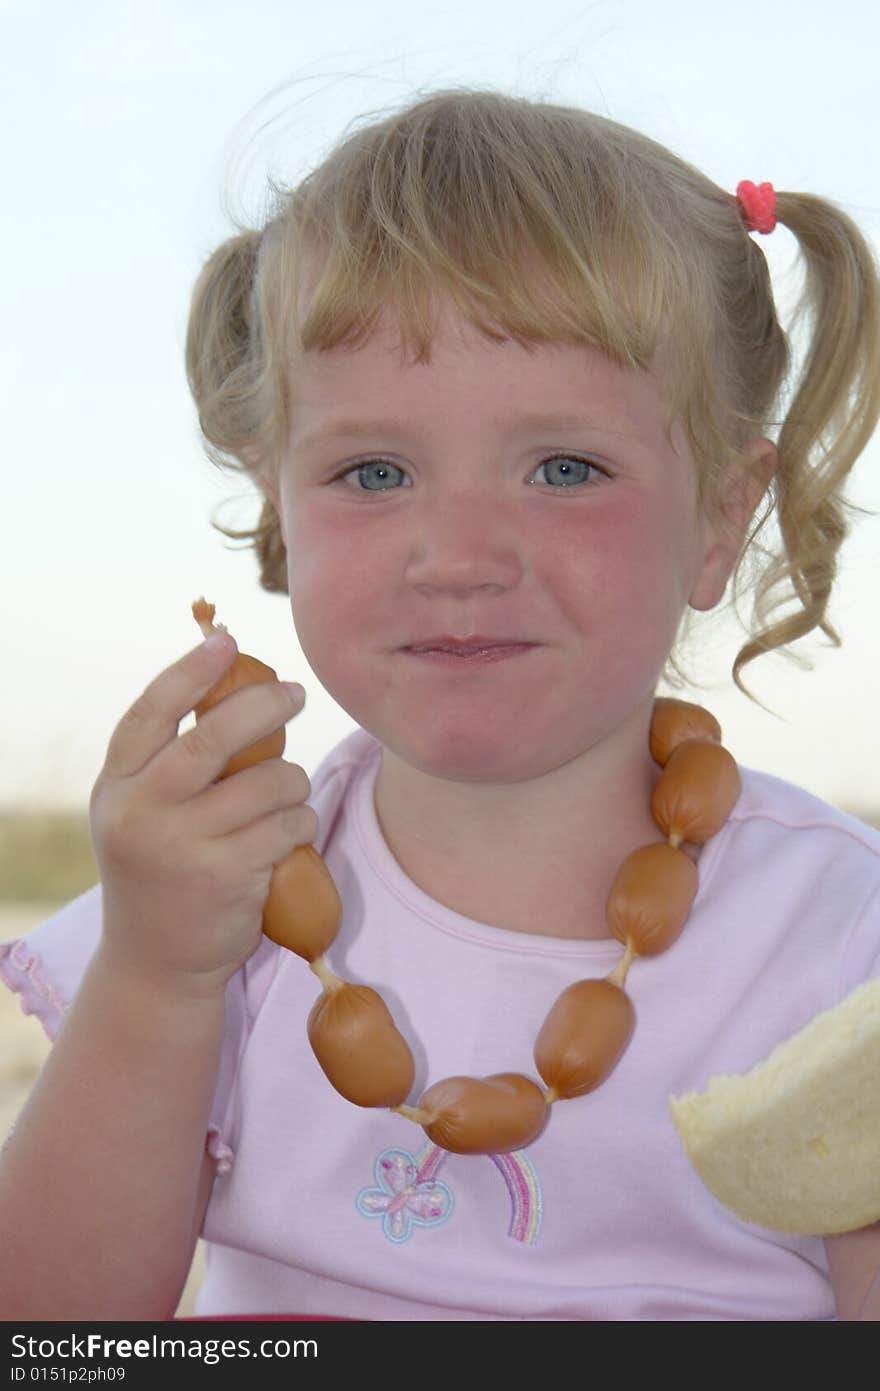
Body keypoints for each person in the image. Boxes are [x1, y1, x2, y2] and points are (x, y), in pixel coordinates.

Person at [1, 87, 879, 1322]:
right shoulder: (209, 903)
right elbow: (54, 1337)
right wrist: (154, 974)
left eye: (563, 468)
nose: (457, 552)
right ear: (279, 511)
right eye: (375, 471)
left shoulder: (842, 945)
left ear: (721, 520)